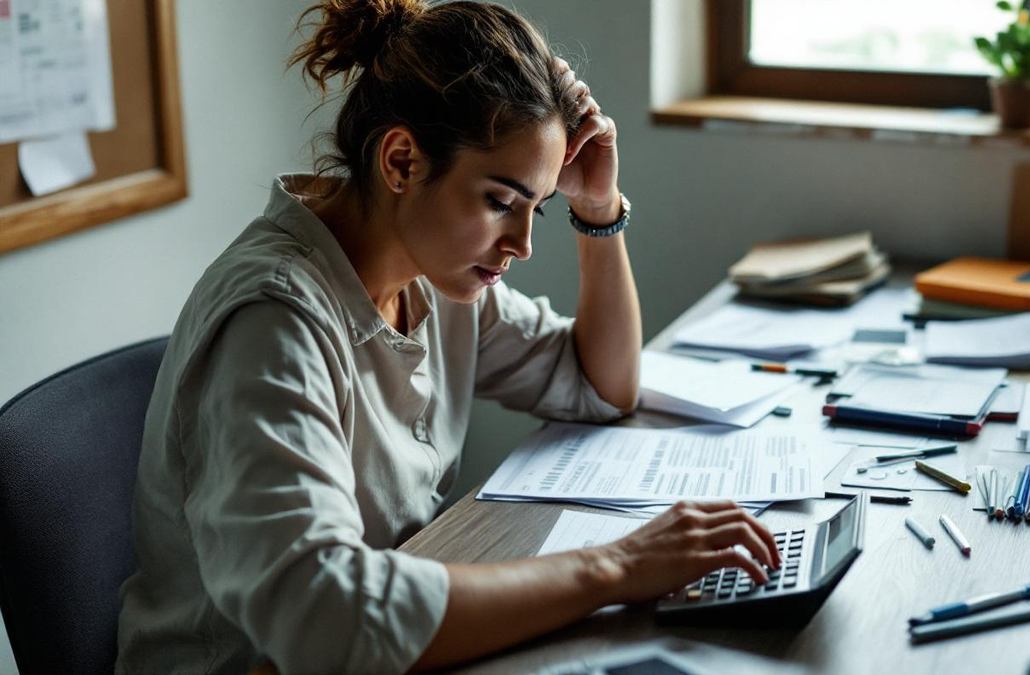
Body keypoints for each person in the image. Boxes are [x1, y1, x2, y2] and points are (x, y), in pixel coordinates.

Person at [115, 1, 780, 672]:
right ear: (402, 161)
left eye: (537, 207)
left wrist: (598, 208)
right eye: (500, 201)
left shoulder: (431, 274)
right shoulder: (275, 322)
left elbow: (600, 384)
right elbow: (324, 617)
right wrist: (616, 567)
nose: (521, 243)